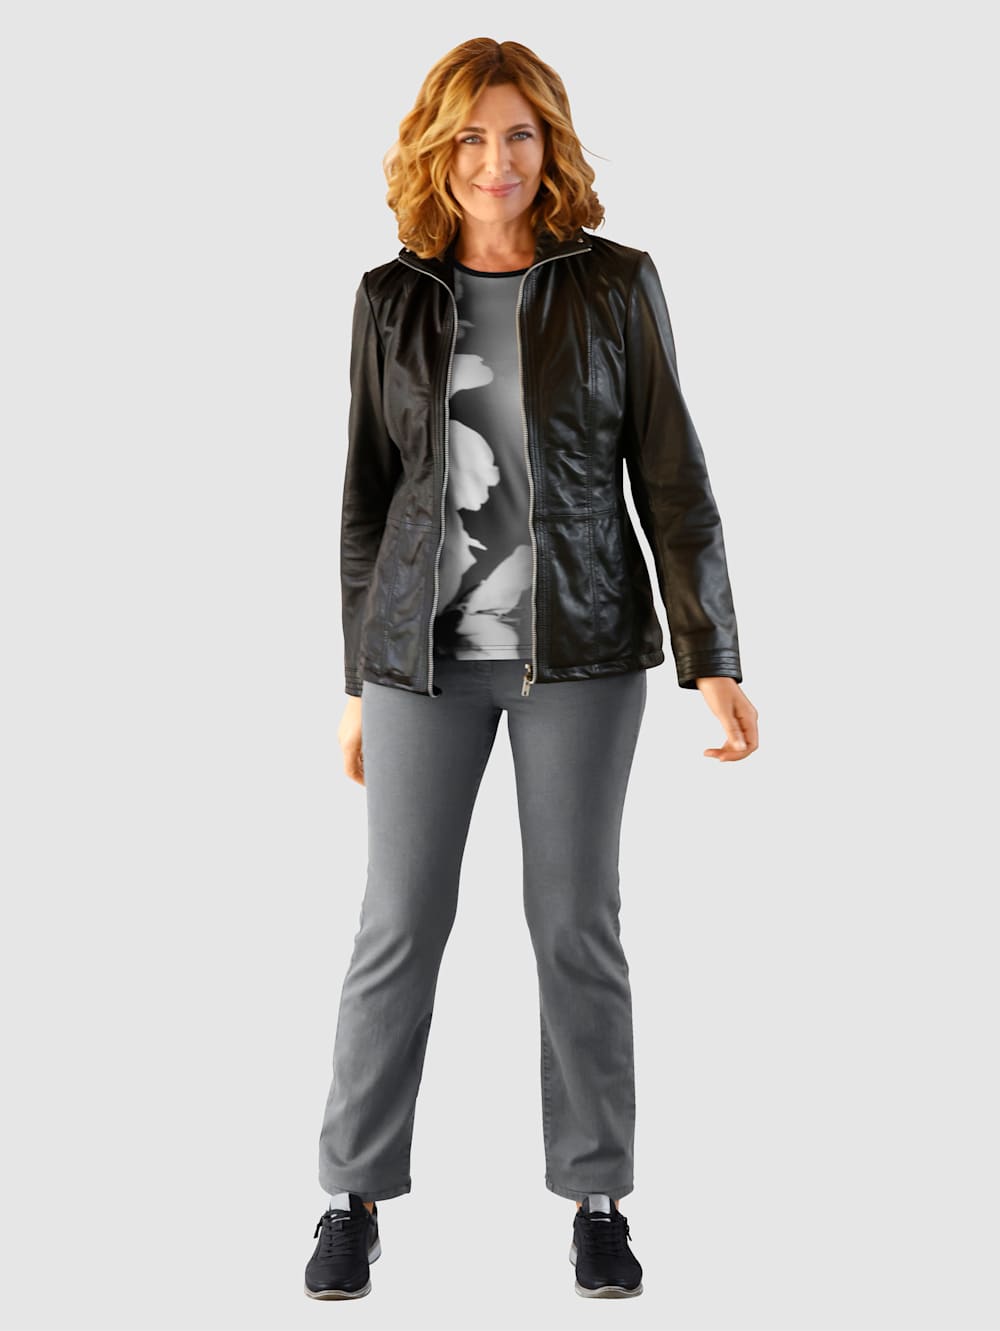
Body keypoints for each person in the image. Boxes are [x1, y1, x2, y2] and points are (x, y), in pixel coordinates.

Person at [304, 36, 759, 1302]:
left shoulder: (615, 283)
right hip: (420, 661)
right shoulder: (389, 297)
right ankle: (350, 1193)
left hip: (584, 651)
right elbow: (368, 499)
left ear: (548, 143)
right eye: (468, 136)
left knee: (574, 923)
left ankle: (596, 1198)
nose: (493, 160)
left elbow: (670, 472)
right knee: (399, 921)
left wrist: (711, 652)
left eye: (516, 133)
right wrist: (356, 679)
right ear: (434, 150)